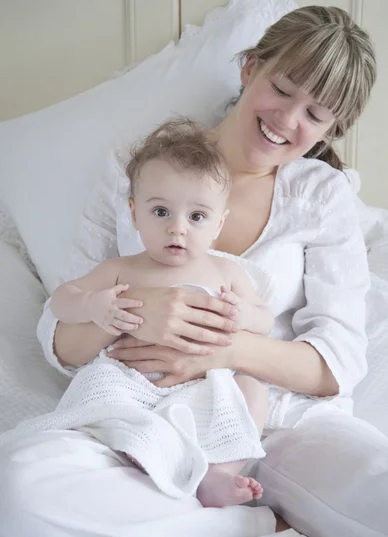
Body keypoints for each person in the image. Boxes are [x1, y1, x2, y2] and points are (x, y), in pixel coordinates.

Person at [1, 5, 388, 537]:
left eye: (316, 113)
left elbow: (336, 362)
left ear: (331, 130)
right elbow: (62, 338)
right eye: (282, 89)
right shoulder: (136, 167)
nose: (288, 120)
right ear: (250, 69)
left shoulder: (321, 196)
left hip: (280, 421)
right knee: (20, 488)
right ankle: (259, 534)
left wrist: (227, 349)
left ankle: (201, 513)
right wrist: (140, 310)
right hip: (145, 414)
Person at [49, 118, 272, 507]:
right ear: (134, 214)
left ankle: (219, 472)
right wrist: (92, 306)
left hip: (202, 386)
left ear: (219, 223)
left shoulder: (226, 272)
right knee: (98, 390)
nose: (177, 229)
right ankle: (130, 452)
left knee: (253, 389)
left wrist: (244, 317)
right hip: (130, 383)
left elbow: (264, 319)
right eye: (161, 212)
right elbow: (62, 298)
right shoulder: (123, 268)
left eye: (196, 217)